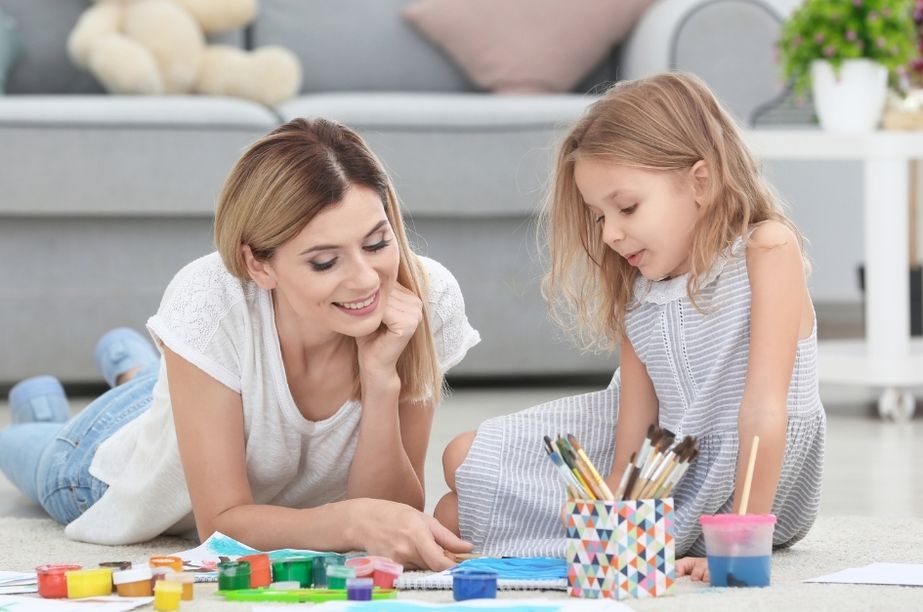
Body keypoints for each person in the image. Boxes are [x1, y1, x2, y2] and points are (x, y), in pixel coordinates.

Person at [0, 118, 480, 570]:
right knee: (19, 445)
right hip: (102, 459)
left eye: (376, 244)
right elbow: (221, 524)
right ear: (259, 266)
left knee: (169, 381)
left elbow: (391, 516)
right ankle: (49, 403)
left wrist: (380, 379)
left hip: (204, 382)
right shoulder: (210, 300)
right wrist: (349, 519)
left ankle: (135, 365)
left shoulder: (421, 296)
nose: (364, 280)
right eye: (324, 262)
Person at [434, 72, 825, 581]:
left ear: (700, 182)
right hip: (659, 468)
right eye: (598, 216)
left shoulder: (766, 248)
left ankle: (704, 530)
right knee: (456, 481)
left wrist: (741, 538)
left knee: (462, 483)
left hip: (750, 482)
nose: (611, 233)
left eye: (627, 207)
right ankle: (617, 535)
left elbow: (766, 407)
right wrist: (615, 526)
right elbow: (633, 441)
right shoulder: (639, 288)